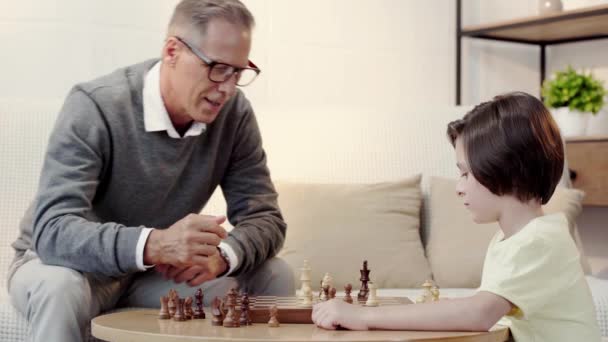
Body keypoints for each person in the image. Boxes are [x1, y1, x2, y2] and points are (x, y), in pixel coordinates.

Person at [8, 1, 294, 341]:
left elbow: (266, 219)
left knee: (274, 274)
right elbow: (52, 231)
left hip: (150, 277)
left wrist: (222, 256)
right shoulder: (95, 104)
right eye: (218, 68)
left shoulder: (234, 115)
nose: (228, 88)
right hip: (69, 267)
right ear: (173, 51)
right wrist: (154, 244)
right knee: (61, 288)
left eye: (238, 72)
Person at [312, 92, 601, 341]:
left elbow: (478, 313)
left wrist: (363, 317)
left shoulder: (538, 242)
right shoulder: (514, 238)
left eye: (465, 173)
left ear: (504, 169)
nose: (459, 188)